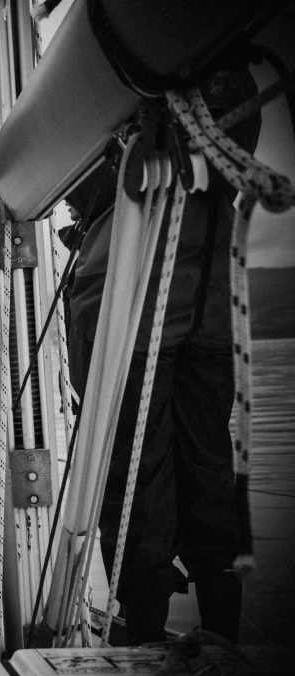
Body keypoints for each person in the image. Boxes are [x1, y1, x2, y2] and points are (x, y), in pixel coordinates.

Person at [66, 65, 262, 645]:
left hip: (136, 307)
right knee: (203, 468)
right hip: (202, 305)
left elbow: (72, 177)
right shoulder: (220, 72)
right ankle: (213, 622)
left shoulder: (120, 77)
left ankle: (148, 629)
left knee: (138, 475)